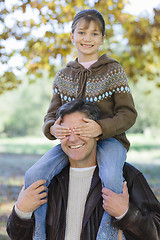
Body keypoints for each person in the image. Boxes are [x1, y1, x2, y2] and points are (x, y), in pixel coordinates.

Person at [25, 9, 137, 240]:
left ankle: (108, 234)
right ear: (72, 36)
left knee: (112, 177)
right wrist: (52, 128)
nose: (88, 38)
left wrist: (101, 128)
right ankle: (38, 234)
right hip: (71, 142)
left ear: (102, 39)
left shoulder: (113, 71)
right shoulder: (63, 75)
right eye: (82, 32)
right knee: (33, 174)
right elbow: (51, 115)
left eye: (95, 34)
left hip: (109, 140)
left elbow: (128, 114)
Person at [7, 99, 160, 240]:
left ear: (97, 133)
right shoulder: (46, 180)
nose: (73, 139)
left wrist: (126, 214)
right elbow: (17, 236)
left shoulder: (126, 176)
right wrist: (21, 212)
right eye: (66, 132)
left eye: (81, 130)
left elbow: (156, 233)